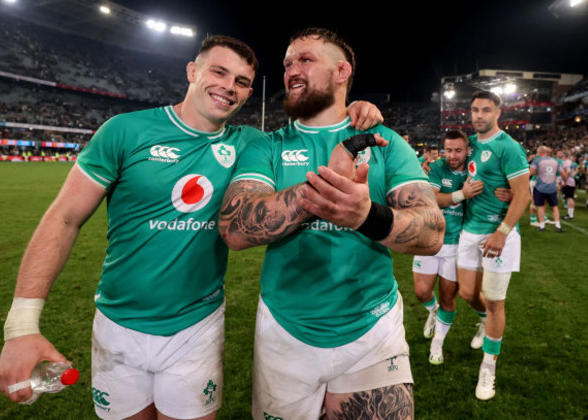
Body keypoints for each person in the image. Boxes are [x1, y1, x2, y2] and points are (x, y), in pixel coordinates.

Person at [0, 34, 383, 419]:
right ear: (192, 71)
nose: (229, 87)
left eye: (242, 82)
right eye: (219, 72)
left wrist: (353, 109)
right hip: (117, 325)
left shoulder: (251, 145)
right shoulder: (124, 132)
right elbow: (64, 218)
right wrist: (21, 326)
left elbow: (317, 128)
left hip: (196, 327)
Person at [218, 28, 444, 419]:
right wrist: (319, 194)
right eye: (288, 63)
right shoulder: (267, 145)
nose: (291, 70)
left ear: (341, 71)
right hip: (284, 328)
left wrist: (364, 215)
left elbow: (431, 230)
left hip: (372, 325)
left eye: (305, 60)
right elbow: (235, 228)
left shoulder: (384, 140)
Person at [456, 91, 530, 401]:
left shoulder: (509, 147)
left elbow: (523, 194)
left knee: (496, 301)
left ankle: (488, 367)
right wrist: (463, 189)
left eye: (486, 110)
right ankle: (485, 323)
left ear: (498, 112)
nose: (479, 115)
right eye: (475, 110)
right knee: (468, 293)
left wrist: (501, 231)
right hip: (469, 231)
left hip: (497, 234)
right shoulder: (470, 144)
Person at [412, 130, 483, 365]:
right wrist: (462, 194)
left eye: (458, 150)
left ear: (467, 150)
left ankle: (437, 344)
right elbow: (433, 199)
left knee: (448, 298)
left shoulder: (475, 169)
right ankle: (433, 313)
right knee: (422, 292)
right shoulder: (437, 167)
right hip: (429, 239)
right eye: (449, 150)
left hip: (456, 244)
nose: (452, 155)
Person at [530, 146, 563, 232]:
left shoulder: (538, 159)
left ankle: (542, 223)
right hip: (538, 183)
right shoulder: (552, 160)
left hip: (540, 184)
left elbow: (532, 171)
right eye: (548, 151)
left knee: (541, 204)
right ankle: (533, 219)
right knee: (535, 203)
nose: (549, 153)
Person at [560, 153, 577, 220]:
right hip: (571, 181)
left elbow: (568, 171)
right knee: (570, 197)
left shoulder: (566, 163)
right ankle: (570, 214)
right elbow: (575, 170)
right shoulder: (571, 162)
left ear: (564, 156)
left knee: (569, 198)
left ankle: (570, 215)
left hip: (568, 182)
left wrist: (565, 180)